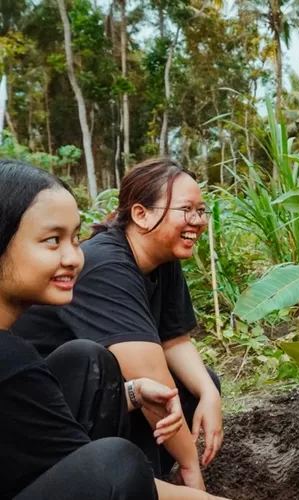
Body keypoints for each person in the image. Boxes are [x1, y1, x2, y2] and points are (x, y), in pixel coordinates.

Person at [0, 158, 229, 500]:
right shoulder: (106, 265)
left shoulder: (163, 264)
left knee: (96, 361)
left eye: (75, 239)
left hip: (51, 403)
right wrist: (193, 474)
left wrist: (206, 394)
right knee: (119, 463)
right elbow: (102, 473)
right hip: (44, 394)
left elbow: (174, 339)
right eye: (52, 240)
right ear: (141, 214)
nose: (75, 258)